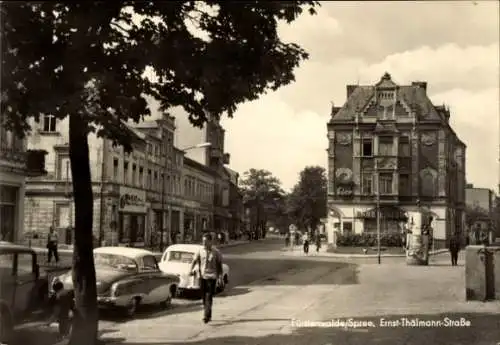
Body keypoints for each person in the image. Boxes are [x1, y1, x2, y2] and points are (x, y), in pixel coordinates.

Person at [189, 233, 223, 323]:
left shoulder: (216, 252)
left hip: (212, 277)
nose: (203, 243)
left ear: (210, 241)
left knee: (208, 295)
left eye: (205, 241)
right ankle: (208, 313)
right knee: (204, 296)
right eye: (203, 241)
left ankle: (206, 316)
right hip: (202, 277)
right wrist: (190, 270)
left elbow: (219, 265)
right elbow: (194, 261)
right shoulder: (200, 251)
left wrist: (220, 277)